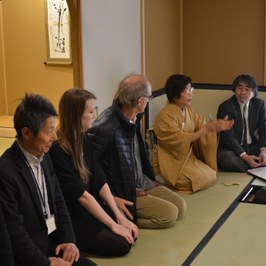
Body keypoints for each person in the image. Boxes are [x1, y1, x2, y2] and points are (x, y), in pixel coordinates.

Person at [0, 93, 95, 266]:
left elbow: (58, 199)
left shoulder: (45, 155)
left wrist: (69, 240)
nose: (54, 137)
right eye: (49, 131)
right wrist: (47, 263)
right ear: (26, 132)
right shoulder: (6, 171)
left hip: (52, 244)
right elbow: (15, 232)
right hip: (28, 257)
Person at [89, 73, 186, 229]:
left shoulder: (132, 118)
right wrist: (113, 198)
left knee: (180, 206)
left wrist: (149, 180)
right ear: (140, 101)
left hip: (141, 182)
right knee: (169, 215)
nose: (149, 101)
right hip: (123, 191)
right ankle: (120, 218)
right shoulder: (104, 127)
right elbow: (91, 171)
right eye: (149, 97)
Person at [49, 88, 138, 257]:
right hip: (72, 216)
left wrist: (119, 217)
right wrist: (113, 225)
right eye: (90, 111)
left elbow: (99, 180)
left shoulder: (84, 138)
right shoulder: (57, 150)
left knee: (129, 222)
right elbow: (82, 196)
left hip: (88, 207)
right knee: (121, 244)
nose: (95, 115)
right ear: (76, 115)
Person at [152, 74, 234, 193]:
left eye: (190, 89)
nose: (190, 93)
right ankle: (163, 177)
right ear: (175, 93)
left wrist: (214, 127)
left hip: (188, 157)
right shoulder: (164, 116)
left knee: (211, 175)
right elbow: (178, 140)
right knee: (193, 180)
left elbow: (201, 125)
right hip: (172, 159)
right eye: (186, 90)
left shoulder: (188, 109)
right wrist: (207, 129)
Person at [216, 74, 266, 172]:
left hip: (251, 146)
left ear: (254, 92)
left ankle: (254, 162)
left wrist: (263, 152)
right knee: (225, 157)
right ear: (234, 89)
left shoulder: (259, 104)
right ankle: (255, 165)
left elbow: (264, 129)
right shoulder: (226, 107)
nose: (242, 92)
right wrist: (245, 156)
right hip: (233, 148)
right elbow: (228, 137)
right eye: (239, 88)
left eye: (247, 89)